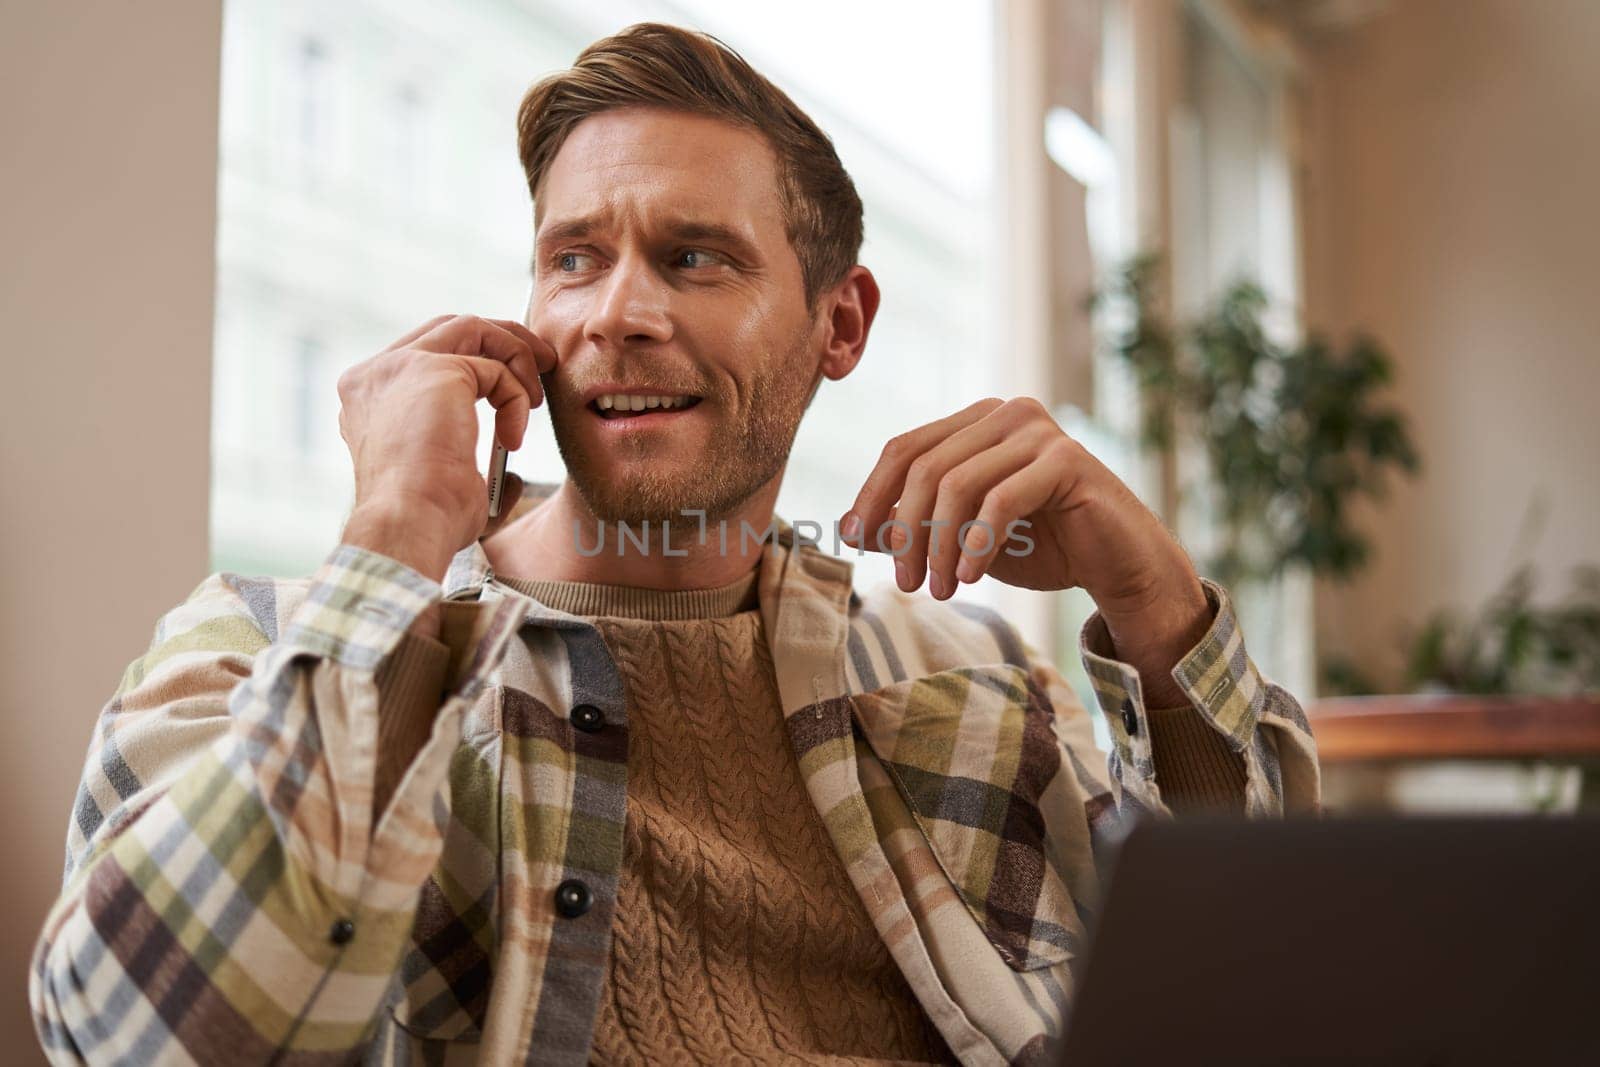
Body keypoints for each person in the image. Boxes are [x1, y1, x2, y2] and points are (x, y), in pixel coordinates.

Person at [29, 21, 1318, 1067]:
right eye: (574, 259)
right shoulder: (265, 653)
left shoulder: (968, 676)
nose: (619, 315)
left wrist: (1155, 602)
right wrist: (394, 540)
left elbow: (1260, 1006)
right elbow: (141, 1041)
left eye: (696, 260)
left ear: (841, 324)